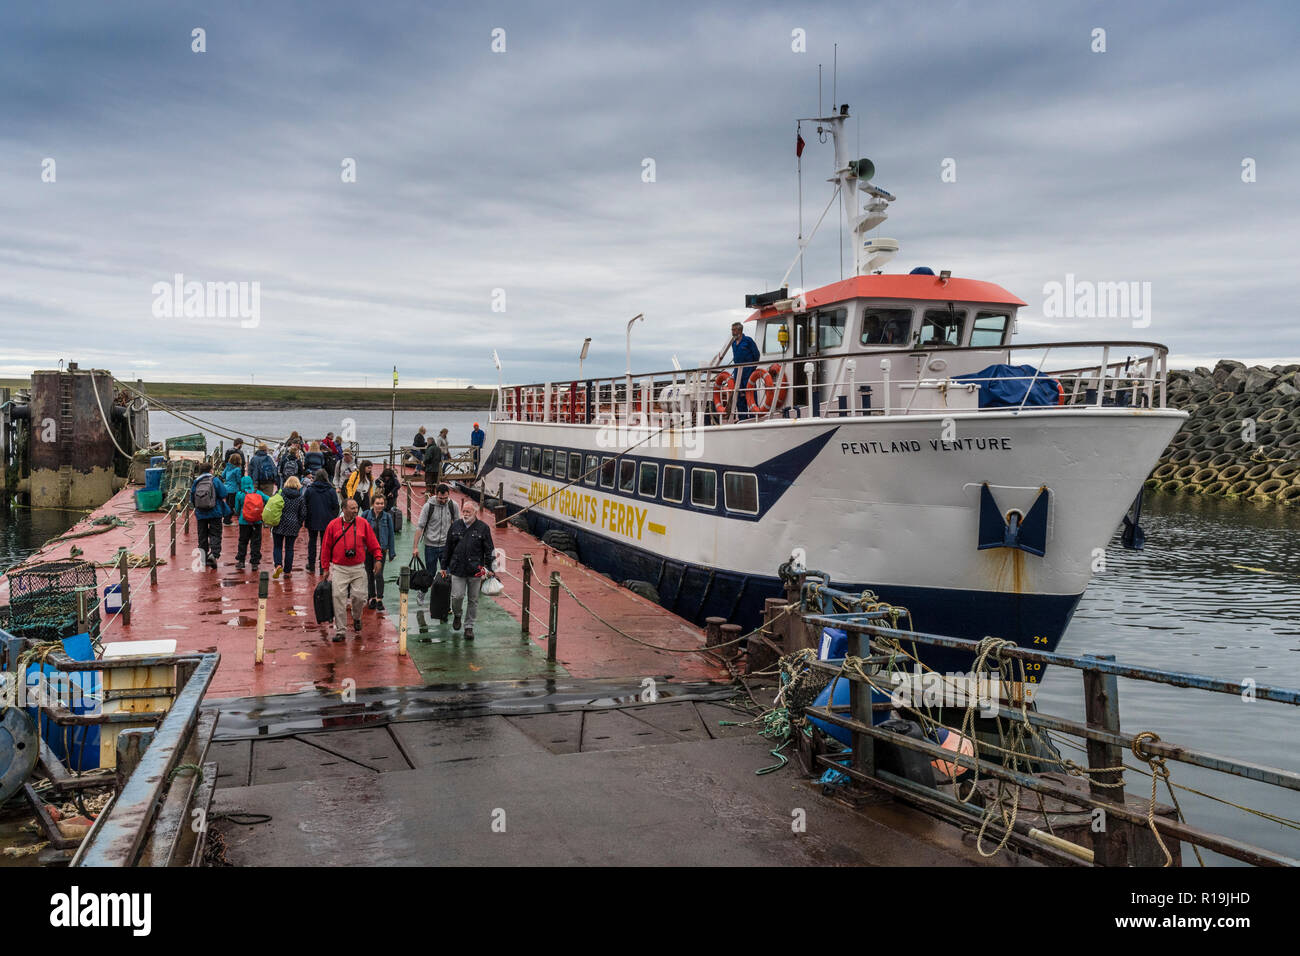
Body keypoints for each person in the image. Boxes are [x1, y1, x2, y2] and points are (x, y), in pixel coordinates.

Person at [320, 497, 382, 638]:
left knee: (359, 597)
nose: (356, 510)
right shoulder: (333, 525)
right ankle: (341, 630)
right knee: (338, 598)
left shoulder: (363, 523)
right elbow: (326, 548)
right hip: (340, 568)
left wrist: (378, 558)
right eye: (352, 508)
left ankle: (356, 617)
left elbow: (373, 542)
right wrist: (325, 568)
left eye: (356, 508)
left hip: (358, 567)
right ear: (344, 509)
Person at [442, 499, 494, 640]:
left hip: (475, 570)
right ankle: (457, 614)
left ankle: (469, 627)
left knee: (473, 600)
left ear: (475, 513)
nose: (465, 514)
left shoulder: (483, 528)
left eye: (468, 512)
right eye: (463, 511)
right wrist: (443, 566)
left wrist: (489, 567)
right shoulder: (455, 526)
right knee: (457, 596)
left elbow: (489, 550)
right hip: (457, 568)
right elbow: (448, 547)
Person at [412, 482, 458, 580]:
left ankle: (446, 594)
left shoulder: (453, 505)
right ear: (435, 494)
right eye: (441, 498)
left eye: (446, 498)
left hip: (446, 546)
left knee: (448, 574)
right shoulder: (428, 507)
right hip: (430, 546)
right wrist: (415, 547)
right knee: (430, 574)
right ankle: (424, 592)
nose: (443, 501)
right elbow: (420, 526)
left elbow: (457, 526)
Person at [189, 461, 230, 569]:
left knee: (202, 535)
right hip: (215, 512)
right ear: (210, 470)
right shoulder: (215, 480)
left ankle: (203, 557)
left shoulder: (196, 482)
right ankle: (214, 554)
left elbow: (192, 497)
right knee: (215, 534)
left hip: (201, 513)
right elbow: (224, 493)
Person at [362, 493, 396, 609]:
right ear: (373, 504)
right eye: (377, 503)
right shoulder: (366, 515)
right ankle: (371, 597)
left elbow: (391, 535)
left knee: (379, 574)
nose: (380, 506)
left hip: (381, 550)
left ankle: (379, 598)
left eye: (382, 503)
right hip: (367, 549)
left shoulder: (387, 517)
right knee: (369, 574)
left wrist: (392, 552)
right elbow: (360, 532)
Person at [303, 468, 340, 573]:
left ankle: (311, 564)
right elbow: (336, 506)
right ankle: (322, 566)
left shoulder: (310, 490)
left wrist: (306, 517)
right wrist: (333, 518)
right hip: (327, 520)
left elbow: (304, 504)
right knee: (325, 544)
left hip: (312, 519)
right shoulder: (331, 490)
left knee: (312, 542)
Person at [272, 475, 308, 577]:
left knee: (277, 546)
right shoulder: (300, 497)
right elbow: (303, 513)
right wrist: (299, 523)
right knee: (289, 548)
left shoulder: (280, 493)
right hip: (293, 524)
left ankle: (278, 565)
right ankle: (287, 571)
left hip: (279, 522)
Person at [234, 475, 269, 571]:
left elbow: (237, 509)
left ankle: (241, 561)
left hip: (244, 521)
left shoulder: (240, 494)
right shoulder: (258, 492)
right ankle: (254, 563)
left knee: (243, 541)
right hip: (257, 521)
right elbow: (268, 500)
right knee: (256, 542)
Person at [727, 321, 761, 418]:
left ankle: (754, 418)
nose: (732, 332)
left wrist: (752, 368)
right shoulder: (733, 344)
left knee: (751, 396)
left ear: (740, 330)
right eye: (732, 330)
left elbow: (756, 355)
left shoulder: (748, 341)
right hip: (738, 374)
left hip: (748, 374)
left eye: (734, 330)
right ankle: (742, 418)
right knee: (739, 397)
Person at [221, 452, 244, 525]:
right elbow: (238, 480)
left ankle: (226, 518)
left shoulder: (228, 467)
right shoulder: (237, 469)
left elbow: (223, 475)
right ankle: (227, 520)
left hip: (226, 488)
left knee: (227, 504)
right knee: (232, 505)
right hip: (233, 489)